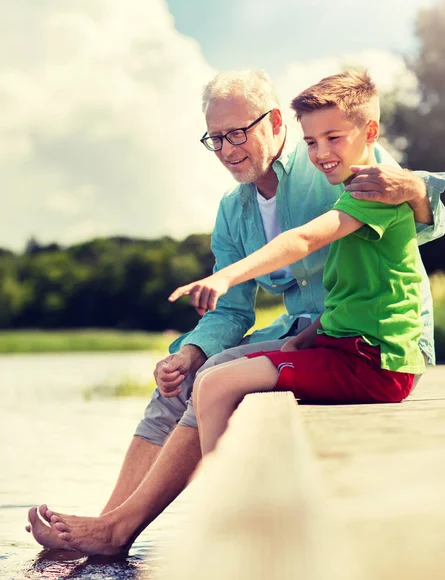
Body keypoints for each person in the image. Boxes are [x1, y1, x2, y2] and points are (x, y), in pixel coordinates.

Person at [27, 70, 445, 555]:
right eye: (216, 139)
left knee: (222, 373)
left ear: (271, 122)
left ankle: (133, 529)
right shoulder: (233, 210)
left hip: (368, 341)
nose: (226, 150)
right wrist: (192, 351)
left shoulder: (331, 160)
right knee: (182, 379)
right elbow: (231, 312)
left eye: (236, 134)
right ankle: (109, 526)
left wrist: (414, 190)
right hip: (304, 337)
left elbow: (414, 200)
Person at [169, 69, 425, 455]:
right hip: (345, 348)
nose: (321, 153)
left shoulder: (374, 192)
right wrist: (297, 344)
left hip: (375, 364)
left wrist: (225, 277)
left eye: (333, 138)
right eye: (310, 142)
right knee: (214, 379)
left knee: (215, 384)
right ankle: (227, 498)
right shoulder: (344, 200)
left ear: (370, 133)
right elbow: (342, 301)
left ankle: (222, 505)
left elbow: (301, 240)